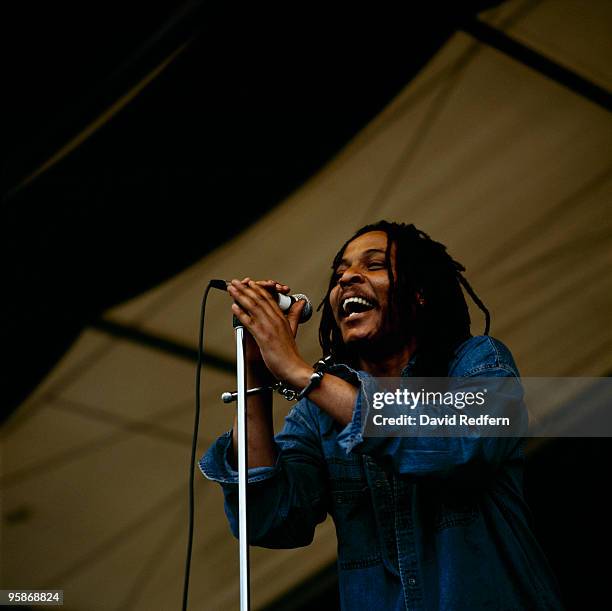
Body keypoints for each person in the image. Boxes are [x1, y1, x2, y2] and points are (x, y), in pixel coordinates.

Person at [200, 220, 564, 610]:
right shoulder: (316, 415)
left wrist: (301, 372)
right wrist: (256, 367)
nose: (346, 279)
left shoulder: (477, 362)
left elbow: (461, 445)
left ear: (420, 293)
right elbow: (269, 518)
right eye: (339, 273)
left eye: (374, 265)